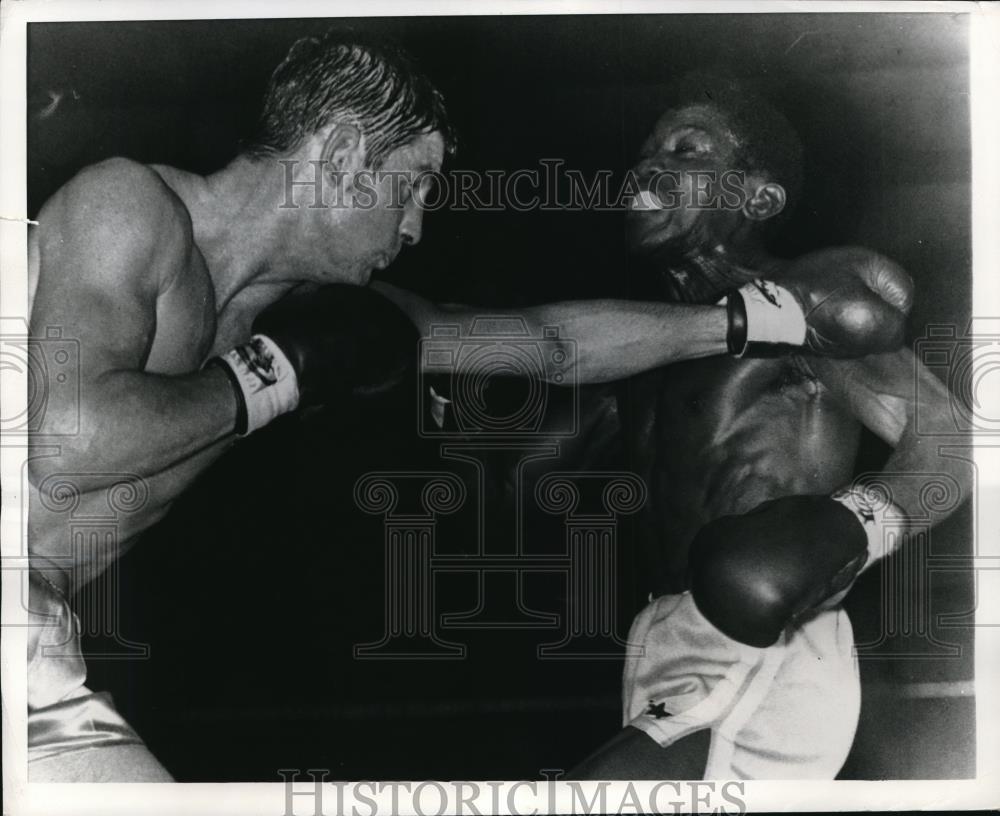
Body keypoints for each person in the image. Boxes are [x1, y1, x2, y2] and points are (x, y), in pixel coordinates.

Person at [24, 31, 909, 781]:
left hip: (37, 636)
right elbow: (69, 450)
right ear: (337, 156)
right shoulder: (128, 204)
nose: (413, 229)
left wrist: (755, 317)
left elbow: (545, 344)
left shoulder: (306, 314)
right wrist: (271, 376)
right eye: (409, 188)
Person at [564, 73, 971, 779]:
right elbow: (524, 469)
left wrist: (860, 522)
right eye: (643, 151)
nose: (644, 167)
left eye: (687, 148)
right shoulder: (647, 346)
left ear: (758, 196)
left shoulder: (805, 308)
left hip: (766, 641)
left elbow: (953, 436)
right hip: (666, 642)